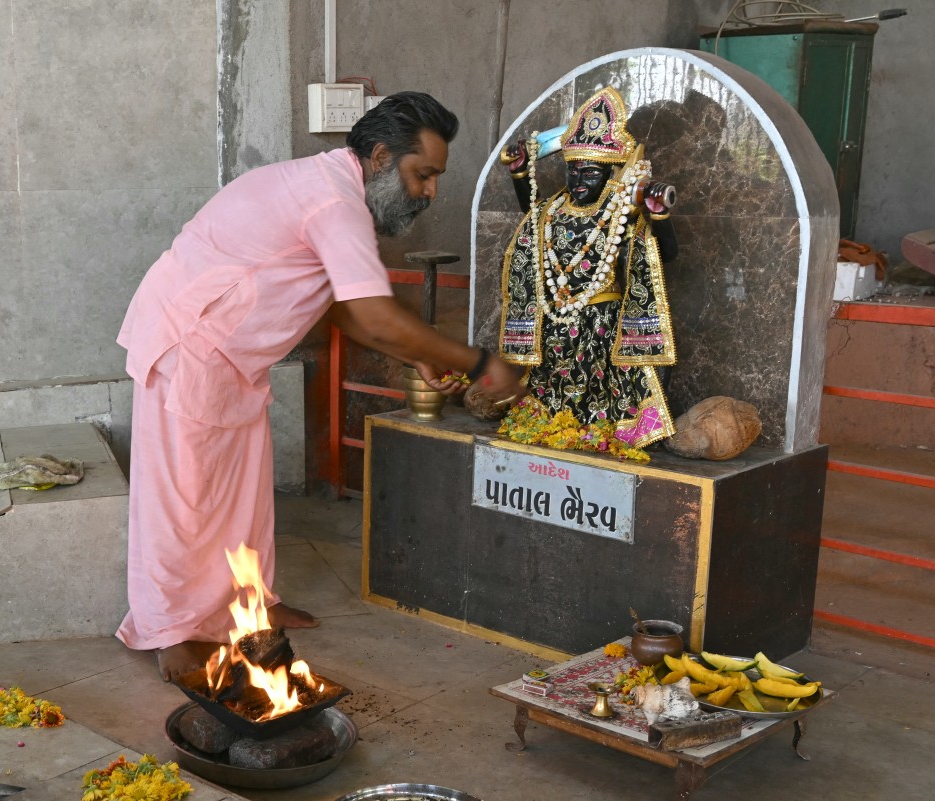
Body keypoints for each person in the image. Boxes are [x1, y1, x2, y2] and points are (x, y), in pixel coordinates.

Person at [115, 91, 524, 680]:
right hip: (191, 342)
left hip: (229, 352)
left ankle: (250, 604)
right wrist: (481, 362)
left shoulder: (337, 191)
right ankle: (172, 631)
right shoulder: (333, 202)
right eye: (423, 174)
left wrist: (418, 355)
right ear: (381, 156)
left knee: (243, 495)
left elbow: (347, 311)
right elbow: (375, 314)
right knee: (184, 502)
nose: (430, 191)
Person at [496, 87, 678, 454]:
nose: (578, 182)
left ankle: (604, 432)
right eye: (572, 171)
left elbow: (667, 255)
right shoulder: (554, 208)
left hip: (602, 325)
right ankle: (559, 427)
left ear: (611, 174)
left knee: (609, 392)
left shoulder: (620, 211)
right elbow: (533, 222)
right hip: (556, 324)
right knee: (550, 391)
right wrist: (519, 176)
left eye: (590, 173)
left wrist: (659, 216)